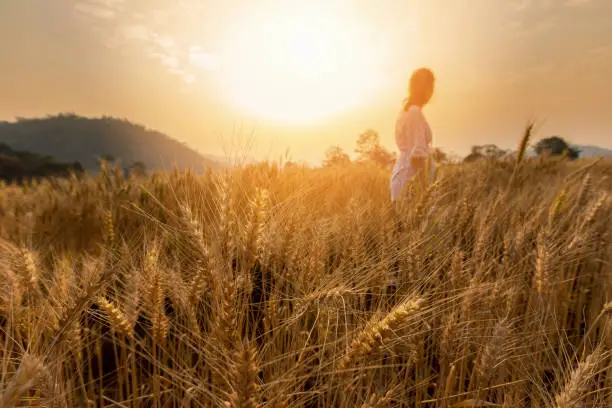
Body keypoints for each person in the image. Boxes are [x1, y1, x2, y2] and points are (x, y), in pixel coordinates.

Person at [390, 68, 436, 202]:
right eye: (430, 87)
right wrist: (424, 193)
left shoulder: (407, 111)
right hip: (411, 179)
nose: (432, 92)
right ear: (422, 88)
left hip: (406, 176)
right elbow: (417, 157)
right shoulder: (414, 113)